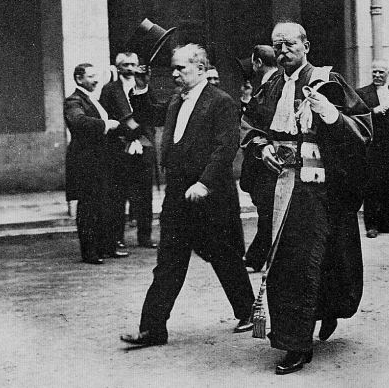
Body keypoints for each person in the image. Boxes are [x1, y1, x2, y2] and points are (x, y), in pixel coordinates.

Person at [241, 21, 372, 374]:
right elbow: (251, 125)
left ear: (306, 46)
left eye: (289, 45)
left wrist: (330, 114)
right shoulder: (270, 87)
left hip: (317, 185)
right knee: (287, 258)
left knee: (301, 260)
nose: (282, 52)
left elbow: (362, 127)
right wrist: (261, 146)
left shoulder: (327, 80)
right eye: (276, 46)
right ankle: (313, 317)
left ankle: (297, 344)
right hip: (278, 184)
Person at [120, 43, 255, 347]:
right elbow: (149, 115)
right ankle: (152, 328)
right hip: (178, 192)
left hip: (209, 193)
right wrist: (141, 87)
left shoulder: (220, 102)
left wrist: (205, 183)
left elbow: (225, 147)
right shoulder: (176, 101)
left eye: (181, 68)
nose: (175, 73)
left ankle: (248, 310)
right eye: (173, 68)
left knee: (224, 255)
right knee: (169, 260)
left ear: (202, 68)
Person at [99, 52, 157, 249]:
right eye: (126, 64)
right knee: (118, 194)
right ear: (118, 67)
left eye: (134, 64)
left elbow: (152, 113)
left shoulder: (145, 87)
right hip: (120, 147)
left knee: (145, 194)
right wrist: (126, 132)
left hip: (143, 145)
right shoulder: (109, 90)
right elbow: (106, 117)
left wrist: (144, 136)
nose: (131, 68)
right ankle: (117, 237)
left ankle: (145, 236)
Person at [64, 64, 121, 264]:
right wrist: (106, 124)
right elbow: (79, 122)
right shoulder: (73, 101)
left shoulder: (90, 100)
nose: (95, 80)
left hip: (99, 161)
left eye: (95, 76)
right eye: (91, 76)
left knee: (102, 204)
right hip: (85, 163)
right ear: (79, 79)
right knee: (88, 207)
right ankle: (89, 252)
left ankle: (104, 248)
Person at [355, 59, 389, 237]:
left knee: (388, 186)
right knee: (371, 186)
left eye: (381, 72)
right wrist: (375, 111)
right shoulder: (362, 93)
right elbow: (356, 116)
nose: (377, 75)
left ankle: (385, 223)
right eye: (375, 72)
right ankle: (371, 225)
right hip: (372, 147)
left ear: (388, 74)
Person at [240, 44, 280, 271]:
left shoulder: (272, 87)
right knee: (268, 212)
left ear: (257, 63)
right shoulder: (268, 86)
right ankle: (258, 258)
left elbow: (261, 122)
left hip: (268, 159)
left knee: (267, 212)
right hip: (266, 158)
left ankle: (256, 259)